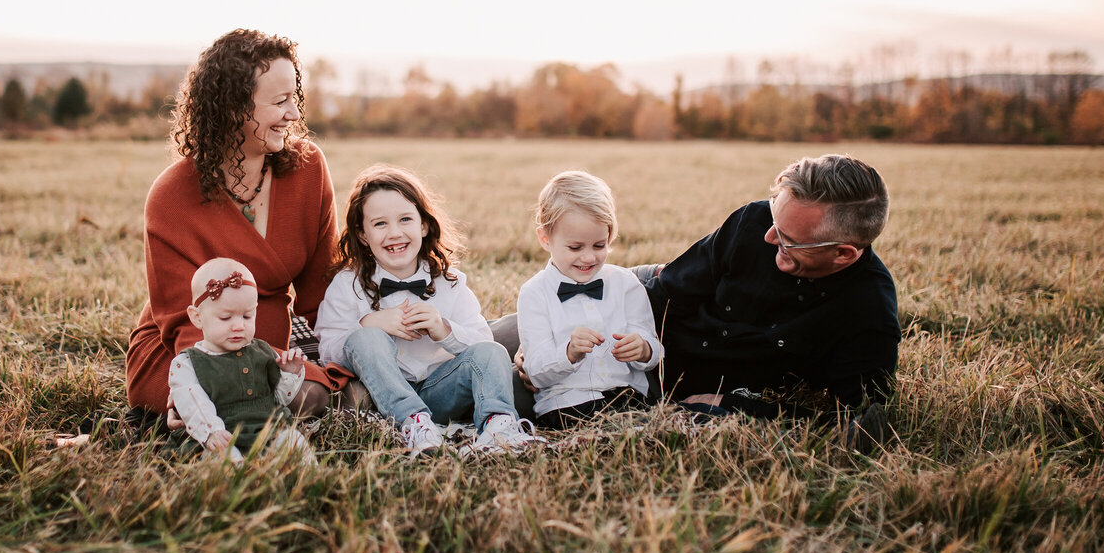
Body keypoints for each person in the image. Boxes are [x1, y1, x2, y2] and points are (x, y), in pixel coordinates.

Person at [125, 29, 344, 421]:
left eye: (294, 99)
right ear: (233, 108)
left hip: (272, 350)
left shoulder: (309, 169)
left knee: (337, 386)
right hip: (186, 354)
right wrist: (197, 388)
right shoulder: (170, 198)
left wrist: (348, 351)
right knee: (303, 398)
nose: (294, 115)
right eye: (280, 102)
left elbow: (323, 293)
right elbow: (181, 320)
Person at [643, 154, 898, 441]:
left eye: (788, 238)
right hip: (653, 334)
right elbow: (666, 291)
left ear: (843, 254)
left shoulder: (868, 312)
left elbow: (860, 418)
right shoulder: (753, 220)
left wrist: (735, 405)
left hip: (701, 390)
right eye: (775, 216)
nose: (767, 237)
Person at [316, 165, 543, 456]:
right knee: (365, 338)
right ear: (362, 234)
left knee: (493, 351)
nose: (394, 233)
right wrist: (369, 323)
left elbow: (481, 339)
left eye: (405, 219)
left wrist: (444, 330)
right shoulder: (348, 284)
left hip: (441, 388)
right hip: (383, 394)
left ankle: (499, 427)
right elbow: (328, 350)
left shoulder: (449, 282)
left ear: (424, 225)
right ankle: (414, 424)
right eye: (380, 224)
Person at [516, 171, 663, 429]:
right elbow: (536, 371)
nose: (588, 258)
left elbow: (653, 349)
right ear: (545, 239)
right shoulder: (534, 293)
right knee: (603, 434)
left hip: (628, 397)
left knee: (649, 431)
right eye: (575, 248)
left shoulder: (626, 284)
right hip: (567, 404)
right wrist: (569, 352)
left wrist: (643, 349)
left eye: (599, 245)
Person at [168, 258, 316, 463]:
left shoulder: (263, 351)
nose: (238, 326)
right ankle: (239, 481)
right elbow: (192, 402)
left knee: (294, 441)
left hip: (267, 429)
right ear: (197, 317)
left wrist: (289, 373)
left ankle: (306, 480)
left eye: (247, 316)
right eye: (226, 318)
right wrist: (211, 431)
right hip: (221, 434)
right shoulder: (187, 363)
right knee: (224, 458)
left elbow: (280, 398)